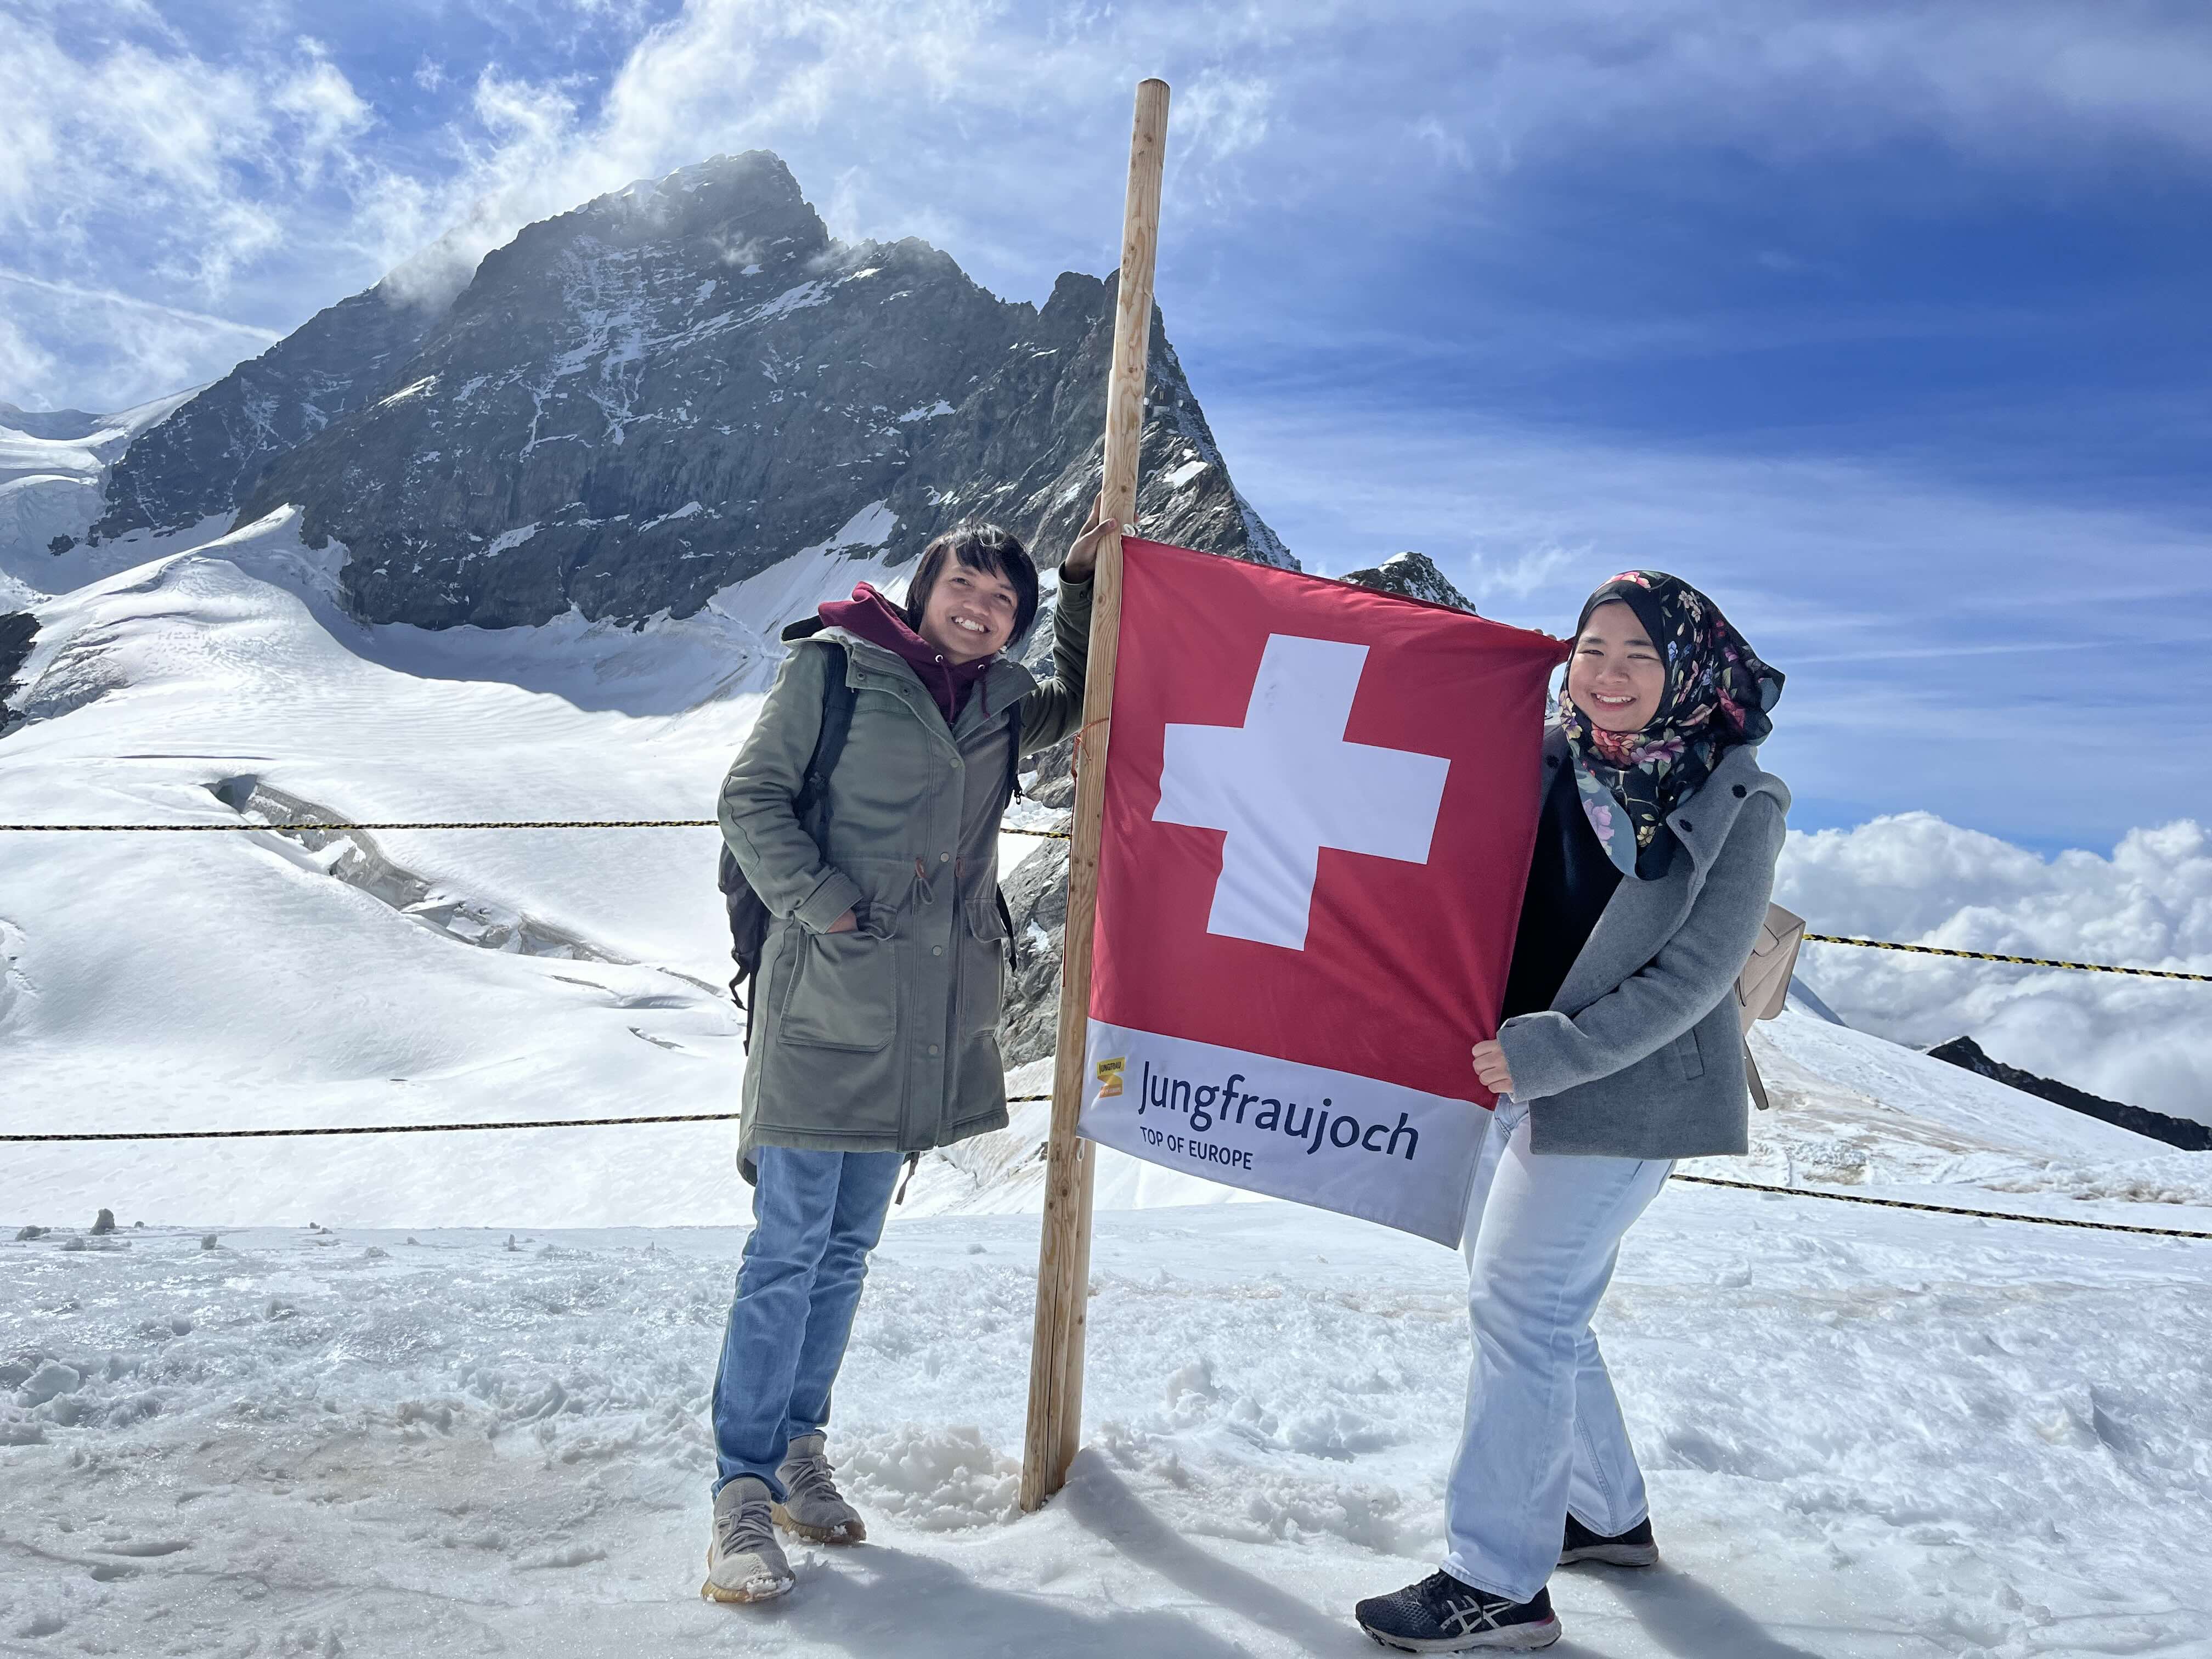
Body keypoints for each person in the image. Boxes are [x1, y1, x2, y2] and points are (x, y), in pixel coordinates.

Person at [1356, 571, 1788, 1652]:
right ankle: (1604, 1515)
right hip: (1511, 1074)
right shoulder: (1541, 760)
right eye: (1592, 648)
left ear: (1689, 670)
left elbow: (1696, 975)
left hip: (1623, 1091)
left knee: (1522, 1310)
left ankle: (1499, 1581)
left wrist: (1554, 1053)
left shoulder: (1738, 797)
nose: (1608, 674)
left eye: (1640, 655)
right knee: (1532, 1307)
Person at [702, 501, 1113, 1605]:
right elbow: (752, 797)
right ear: (924, 590)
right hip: (825, 997)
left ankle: (798, 1452)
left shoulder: (997, 704)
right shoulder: (837, 671)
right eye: (964, 589)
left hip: (925, 1017)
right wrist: (824, 905)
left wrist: (1078, 590)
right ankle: (740, 1495)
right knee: (788, 1243)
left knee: (844, 1248)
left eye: (1005, 602)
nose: (981, 611)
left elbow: (1087, 706)